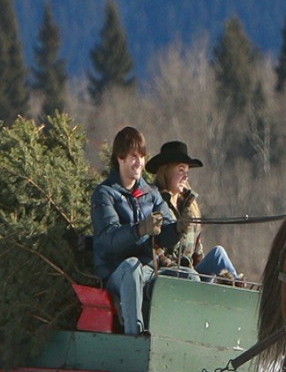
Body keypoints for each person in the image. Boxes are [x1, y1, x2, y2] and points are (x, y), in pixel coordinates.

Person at [90, 127, 184, 335]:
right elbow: (109, 239)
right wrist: (140, 230)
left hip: (149, 269)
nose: (139, 163)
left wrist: (177, 228)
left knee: (188, 277)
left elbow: (165, 233)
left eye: (142, 156)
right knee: (132, 267)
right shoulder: (104, 194)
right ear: (120, 158)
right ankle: (135, 337)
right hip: (116, 273)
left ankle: (179, 337)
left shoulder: (151, 193)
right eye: (134, 156)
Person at [145, 140, 240, 283]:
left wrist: (200, 270)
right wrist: (174, 266)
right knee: (190, 275)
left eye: (187, 172)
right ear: (166, 171)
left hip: (191, 276)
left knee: (218, 254)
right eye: (181, 170)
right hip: (166, 277)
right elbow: (153, 246)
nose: (186, 177)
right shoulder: (154, 201)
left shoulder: (189, 205)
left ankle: (238, 290)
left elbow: (197, 250)